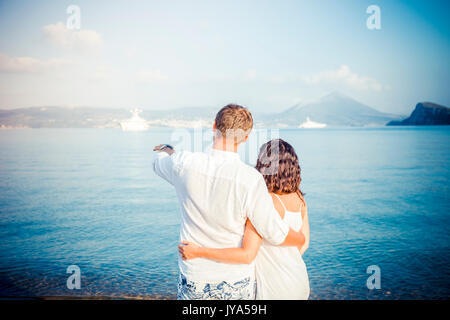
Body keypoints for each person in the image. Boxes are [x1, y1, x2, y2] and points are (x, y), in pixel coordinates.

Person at [152, 104, 305, 300]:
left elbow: (158, 163)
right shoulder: (251, 180)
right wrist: (300, 238)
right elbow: (274, 233)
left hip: (194, 277)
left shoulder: (184, 163)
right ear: (246, 137)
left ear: (214, 125)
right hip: (235, 280)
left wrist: (167, 150)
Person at [179, 139, 310, 300]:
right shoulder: (299, 198)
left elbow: (247, 255)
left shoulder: (265, 203)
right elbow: (303, 244)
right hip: (298, 279)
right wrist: (283, 257)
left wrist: (198, 251)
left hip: (275, 286)